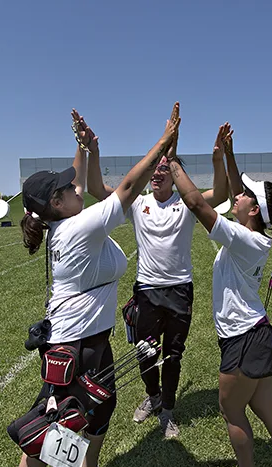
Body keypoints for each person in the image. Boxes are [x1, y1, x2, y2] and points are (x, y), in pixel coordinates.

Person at [0, 104, 179, 467]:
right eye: (67, 188)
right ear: (57, 203)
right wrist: (164, 142)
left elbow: (77, 176)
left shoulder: (65, 216)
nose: (76, 187)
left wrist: (86, 146)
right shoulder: (76, 228)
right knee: (54, 426)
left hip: (92, 340)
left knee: (103, 404)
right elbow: (130, 186)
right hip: (72, 345)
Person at [168, 124, 272, 467]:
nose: (235, 196)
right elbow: (237, 192)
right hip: (254, 333)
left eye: (244, 196)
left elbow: (199, 206)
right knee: (267, 409)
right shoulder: (250, 233)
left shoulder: (243, 238)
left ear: (253, 210)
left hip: (244, 338)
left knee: (231, 408)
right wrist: (230, 155)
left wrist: (170, 162)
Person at [74, 115, 233, 438]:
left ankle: (169, 411)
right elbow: (94, 189)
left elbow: (220, 192)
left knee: (173, 356)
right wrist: (93, 150)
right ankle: (152, 396)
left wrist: (219, 159)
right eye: (154, 170)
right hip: (146, 291)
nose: (158, 174)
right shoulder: (137, 203)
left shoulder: (188, 204)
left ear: (174, 177)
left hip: (179, 292)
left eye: (165, 170)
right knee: (146, 353)